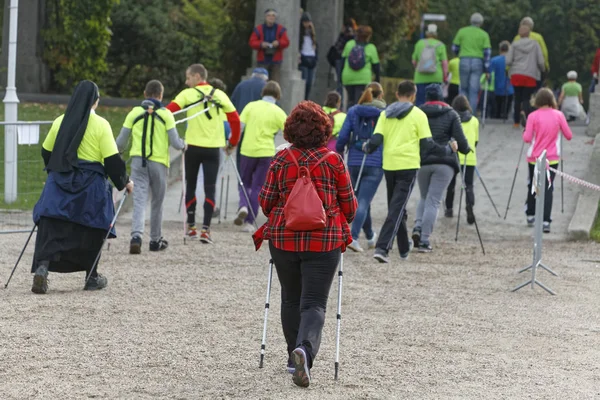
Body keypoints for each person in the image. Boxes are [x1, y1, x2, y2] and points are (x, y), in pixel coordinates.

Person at [252, 101, 357, 388]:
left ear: (290, 130)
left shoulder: (280, 160)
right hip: (324, 241)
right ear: (324, 130)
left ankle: (291, 356)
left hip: (284, 239)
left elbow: (265, 203)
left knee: (289, 298)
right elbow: (350, 206)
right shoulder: (333, 160)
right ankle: (305, 352)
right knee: (314, 302)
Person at [31, 80, 133, 294]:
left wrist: (56, 169)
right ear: (95, 102)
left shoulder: (60, 121)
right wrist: (124, 182)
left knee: (51, 222)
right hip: (90, 186)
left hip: (60, 182)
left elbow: (46, 152)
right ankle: (91, 276)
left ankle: (42, 267)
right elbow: (112, 160)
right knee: (93, 225)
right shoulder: (102, 125)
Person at [362, 81, 458, 263]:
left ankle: (404, 247)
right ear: (414, 96)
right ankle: (383, 248)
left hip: (389, 164)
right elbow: (428, 145)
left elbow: (376, 139)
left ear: (397, 94)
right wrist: (447, 150)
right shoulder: (418, 115)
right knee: (396, 208)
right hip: (408, 165)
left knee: (395, 207)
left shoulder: (385, 114)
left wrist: (367, 147)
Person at [165, 64, 241, 244]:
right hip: (213, 149)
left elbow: (168, 112)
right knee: (210, 187)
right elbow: (235, 120)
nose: (186, 81)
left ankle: (191, 227)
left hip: (192, 147)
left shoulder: (187, 94)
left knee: (190, 185)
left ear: (198, 77)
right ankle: (206, 230)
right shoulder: (220, 95)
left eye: (188, 77)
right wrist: (232, 143)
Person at [116, 80, 186, 254]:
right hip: (159, 163)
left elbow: (121, 142)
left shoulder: (134, 113)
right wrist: (184, 145)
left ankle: (136, 237)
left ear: (144, 94)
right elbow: (176, 143)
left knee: (139, 200)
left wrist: (119, 153)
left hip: (138, 162)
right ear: (161, 95)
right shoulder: (166, 115)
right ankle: (155, 240)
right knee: (157, 201)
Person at [411, 84, 470, 253]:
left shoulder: (418, 113)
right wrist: (466, 149)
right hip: (445, 162)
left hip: (422, 161)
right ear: (441, 97)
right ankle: (424, 239)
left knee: (423, 197)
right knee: (434, 200)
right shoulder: (451, 114)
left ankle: (417, 226)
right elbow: (461, 141)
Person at [336, 82, 386, 252]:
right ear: (380, 95)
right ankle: (354, 237)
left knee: (360, 199)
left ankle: (371, 236)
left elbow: (343, 136)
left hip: (355, 160)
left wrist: (340, 152)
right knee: (363, 200)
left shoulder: (353, 111)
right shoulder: (383, 113)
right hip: (374, 160)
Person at [234, 81, 287, 233]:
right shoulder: (278, 112)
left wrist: (231, 143)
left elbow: (240, 127)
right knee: (258, 186)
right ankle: (250, 221)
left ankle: (243, 205)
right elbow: (288, 132)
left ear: (263, 93)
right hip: (266, 152)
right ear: (277, 95)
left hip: (247, 150)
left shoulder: (251, 106)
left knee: (244, 182)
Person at [522, 88, 573, 233]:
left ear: (537, 100)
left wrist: (525, 132)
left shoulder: (532, 116)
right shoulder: (559, 115)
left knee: (533, 185)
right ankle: (546, 221)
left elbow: (527, 138)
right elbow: (568, 135)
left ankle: (531, 214)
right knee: (548, 188)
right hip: (552, 158)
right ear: (552, 100)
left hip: (535, 158)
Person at [445, 95, 479, 222]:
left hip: (453, 156)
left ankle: (449, 209)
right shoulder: (474, 120)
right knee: (469, 184)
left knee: (451, 183)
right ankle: (469, 205)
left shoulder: (451, 119)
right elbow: (475, 141)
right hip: (469, 157)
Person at [230, 68, 269, 177]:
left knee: (241, 155)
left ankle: (241, 179)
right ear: (266, 78)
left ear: (253, 75)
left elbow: (231, 105)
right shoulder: (266, 87)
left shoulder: (241, 85)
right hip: (259, 128)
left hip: (241, 125)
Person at [506, 25, 545, 128]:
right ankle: (528, 119)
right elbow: (541, 61)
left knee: (517, 98)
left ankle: (516, 122)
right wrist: (542, 70)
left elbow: (508, 61)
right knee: (527, 98)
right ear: (529, 33)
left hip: (517, 74)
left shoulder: (514, 45)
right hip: (530, 74)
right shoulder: (535, 44)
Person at [452, 13, 492, 111]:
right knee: (473, 91)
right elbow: (487, 53)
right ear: (481, 23)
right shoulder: (484, 34)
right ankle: (471, 115)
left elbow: (454, 47)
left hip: (464, 60)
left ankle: (461, 112)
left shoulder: (462, 31)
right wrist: (487, 69)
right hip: (477, 62)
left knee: (463, 88)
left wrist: (459, 53)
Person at [341, 25, 381, 108]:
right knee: (360, 102)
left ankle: (349, 117)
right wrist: (377, 80)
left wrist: (340, 77)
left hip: (348, 77)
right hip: (363, 79)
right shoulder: (371, 48)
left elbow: (342, 61)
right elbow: (376, 67)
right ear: (369, 36)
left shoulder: (349, 44)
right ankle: (357, 120)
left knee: (350, 100)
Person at [249, 8, 290, 83]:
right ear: (265, 17)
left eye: (273, 16)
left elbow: (286, 42)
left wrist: (278, 43)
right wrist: (261, 44)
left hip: (276, 60)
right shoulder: (259, 29)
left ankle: (274, 94)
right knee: (261, 82)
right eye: (269, 15)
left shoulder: (280, 29)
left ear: (275, 18)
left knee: (275, 82)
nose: (271, 17)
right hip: (262, 59)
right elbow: (252, 42)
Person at [412, 24, 448, 106]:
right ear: (436, 33)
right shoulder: (440, 45)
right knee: (436, 102)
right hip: (436, 77)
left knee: (420, 101)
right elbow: (444, 62)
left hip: (420, 77)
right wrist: (445, 75)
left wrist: (419, 68)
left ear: (426, 33)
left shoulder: (419, 43)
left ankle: (420, 118)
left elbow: (414, 61)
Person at [513, 17, 550, 87]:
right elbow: (544, 54)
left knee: (519, 94)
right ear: (532, 26)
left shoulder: (517, 38)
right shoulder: (538, 37)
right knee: (534, 92)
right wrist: (546, 67)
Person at [329, 18, 357, 101]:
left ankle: (339, 102)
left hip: (340, 59)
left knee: (339, 83)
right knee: (344, 84)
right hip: (348, 60)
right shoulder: (355, 36)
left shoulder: (345, 34)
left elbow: (337, 46)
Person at [489, 41, 514, 119]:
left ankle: (497, 116)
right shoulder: (512, 61)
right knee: (507, 105)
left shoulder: (494, 60)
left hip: (497, 87)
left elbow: (489, 73)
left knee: (497, 106)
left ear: (500, 49)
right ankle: (505, 115)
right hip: (510, 87)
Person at [299, 12, 318, 100]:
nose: (307, 24)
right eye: (305, 22)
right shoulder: (300, 33)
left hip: (312, 58)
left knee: (310, 83)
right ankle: (303, 99)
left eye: (308, 22)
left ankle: (306, 99)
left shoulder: (312, 33)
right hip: (303, 58)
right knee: (305, 82)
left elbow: (316, 46)